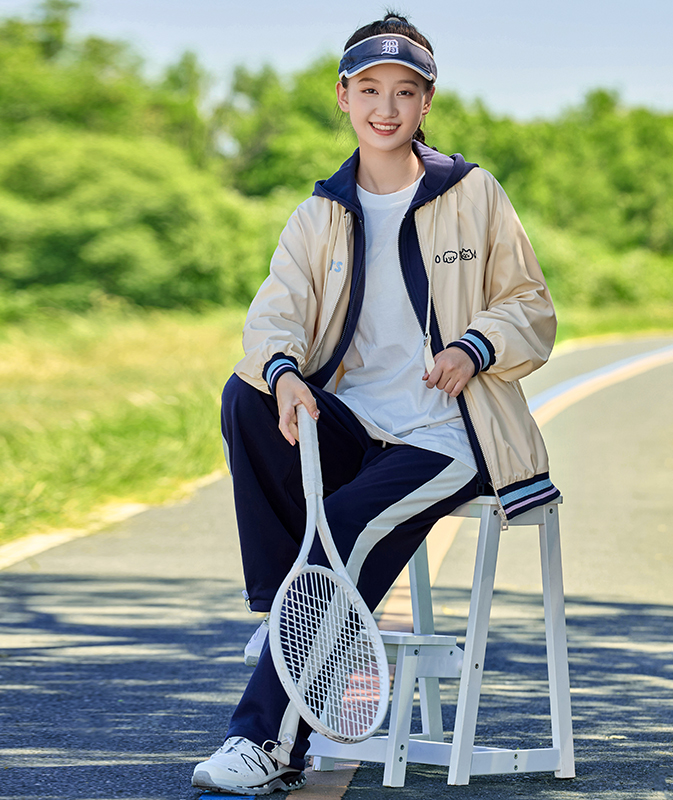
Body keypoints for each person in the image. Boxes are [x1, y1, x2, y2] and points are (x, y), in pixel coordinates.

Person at [192, 11, 560, 795]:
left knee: (348, 531)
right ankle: (281, 612)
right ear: (343, 96)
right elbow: (273, 317)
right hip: (358, 425)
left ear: (427, 101)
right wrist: (287, 373)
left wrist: (474, 346)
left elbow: (532, 306)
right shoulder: (318, 212)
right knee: (247, 393)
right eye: (368, 90)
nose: (384, 107)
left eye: (403, 91)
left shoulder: (472, 195)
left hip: (448, 438)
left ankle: (265, 743)